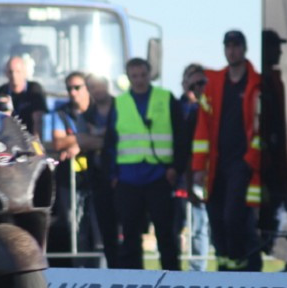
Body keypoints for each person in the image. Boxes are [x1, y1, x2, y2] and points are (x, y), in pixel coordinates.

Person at [191, 30, 263, 272]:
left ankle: (241, 268)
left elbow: (261, 126)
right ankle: (224, 271)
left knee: (234, 217)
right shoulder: (214, 84)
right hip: (216, 163)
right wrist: (198, 166)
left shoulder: (256, 84)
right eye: (228, 46)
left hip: (242, 163)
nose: (232, 51)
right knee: (216, 218)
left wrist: (250, 160)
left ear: (244, 48)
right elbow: (203, 128)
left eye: (236, 46)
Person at [105, 57, 183, 271]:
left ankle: (173, 278)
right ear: (128, 77)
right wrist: (113, 175)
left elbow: (181, 136)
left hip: (160, 175)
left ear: (150, 75)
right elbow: (111, 142)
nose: (139, 80)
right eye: (134, 76)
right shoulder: (119, 103)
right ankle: (133, 280)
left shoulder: (166, 98)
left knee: (165, 233)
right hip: (128, 178)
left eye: (143, 75)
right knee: (130, 235)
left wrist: (176, 167)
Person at [45, 71, 95, 265]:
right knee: (73, 225)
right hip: (69, 178)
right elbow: (57, 142)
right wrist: (86, 140)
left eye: (77, 87)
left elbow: (105, 138)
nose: (73, 93)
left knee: (96, 227)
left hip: (95, 177)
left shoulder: (96, 111)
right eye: (69, 88)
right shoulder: (61, 113)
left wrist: (77, 145)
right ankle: (79, 271)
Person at [176, 64, 211, 271]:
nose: (194, 87)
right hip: (177, 178)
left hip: (200, 176)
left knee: (199, 227)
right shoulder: (175, 107)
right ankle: (172, 270)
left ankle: (198, 270)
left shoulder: (208, 107)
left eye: (199, 83)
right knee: (175, 228)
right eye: (190, 82)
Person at [82, 73, 119, 268]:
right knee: (107, 231)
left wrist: (97, 138)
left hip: (122, 178)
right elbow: (82, 141)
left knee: (128, 231)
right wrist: (105, 138)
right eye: (93, 87)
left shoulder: (121, 107)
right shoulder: (87, 115)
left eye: (100, 85)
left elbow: (121, 138)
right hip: (98, 179)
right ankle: (114, 271)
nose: (98, 90)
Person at [259, 30, 287, 250]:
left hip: (274, 160)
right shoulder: (257, 82)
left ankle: (267, 246)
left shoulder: (274, 81)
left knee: (273, 207)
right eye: (275, 47)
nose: (279, 52)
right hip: (262, 162)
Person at [0, 55, 46, 135]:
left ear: (25, 72)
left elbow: (38, 120)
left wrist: (35, 143)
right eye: (11, 72)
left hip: (28, 137)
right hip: (6, 137)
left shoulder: (34, 90)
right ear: (6, 73)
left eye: (18, 71)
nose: (14, 75)